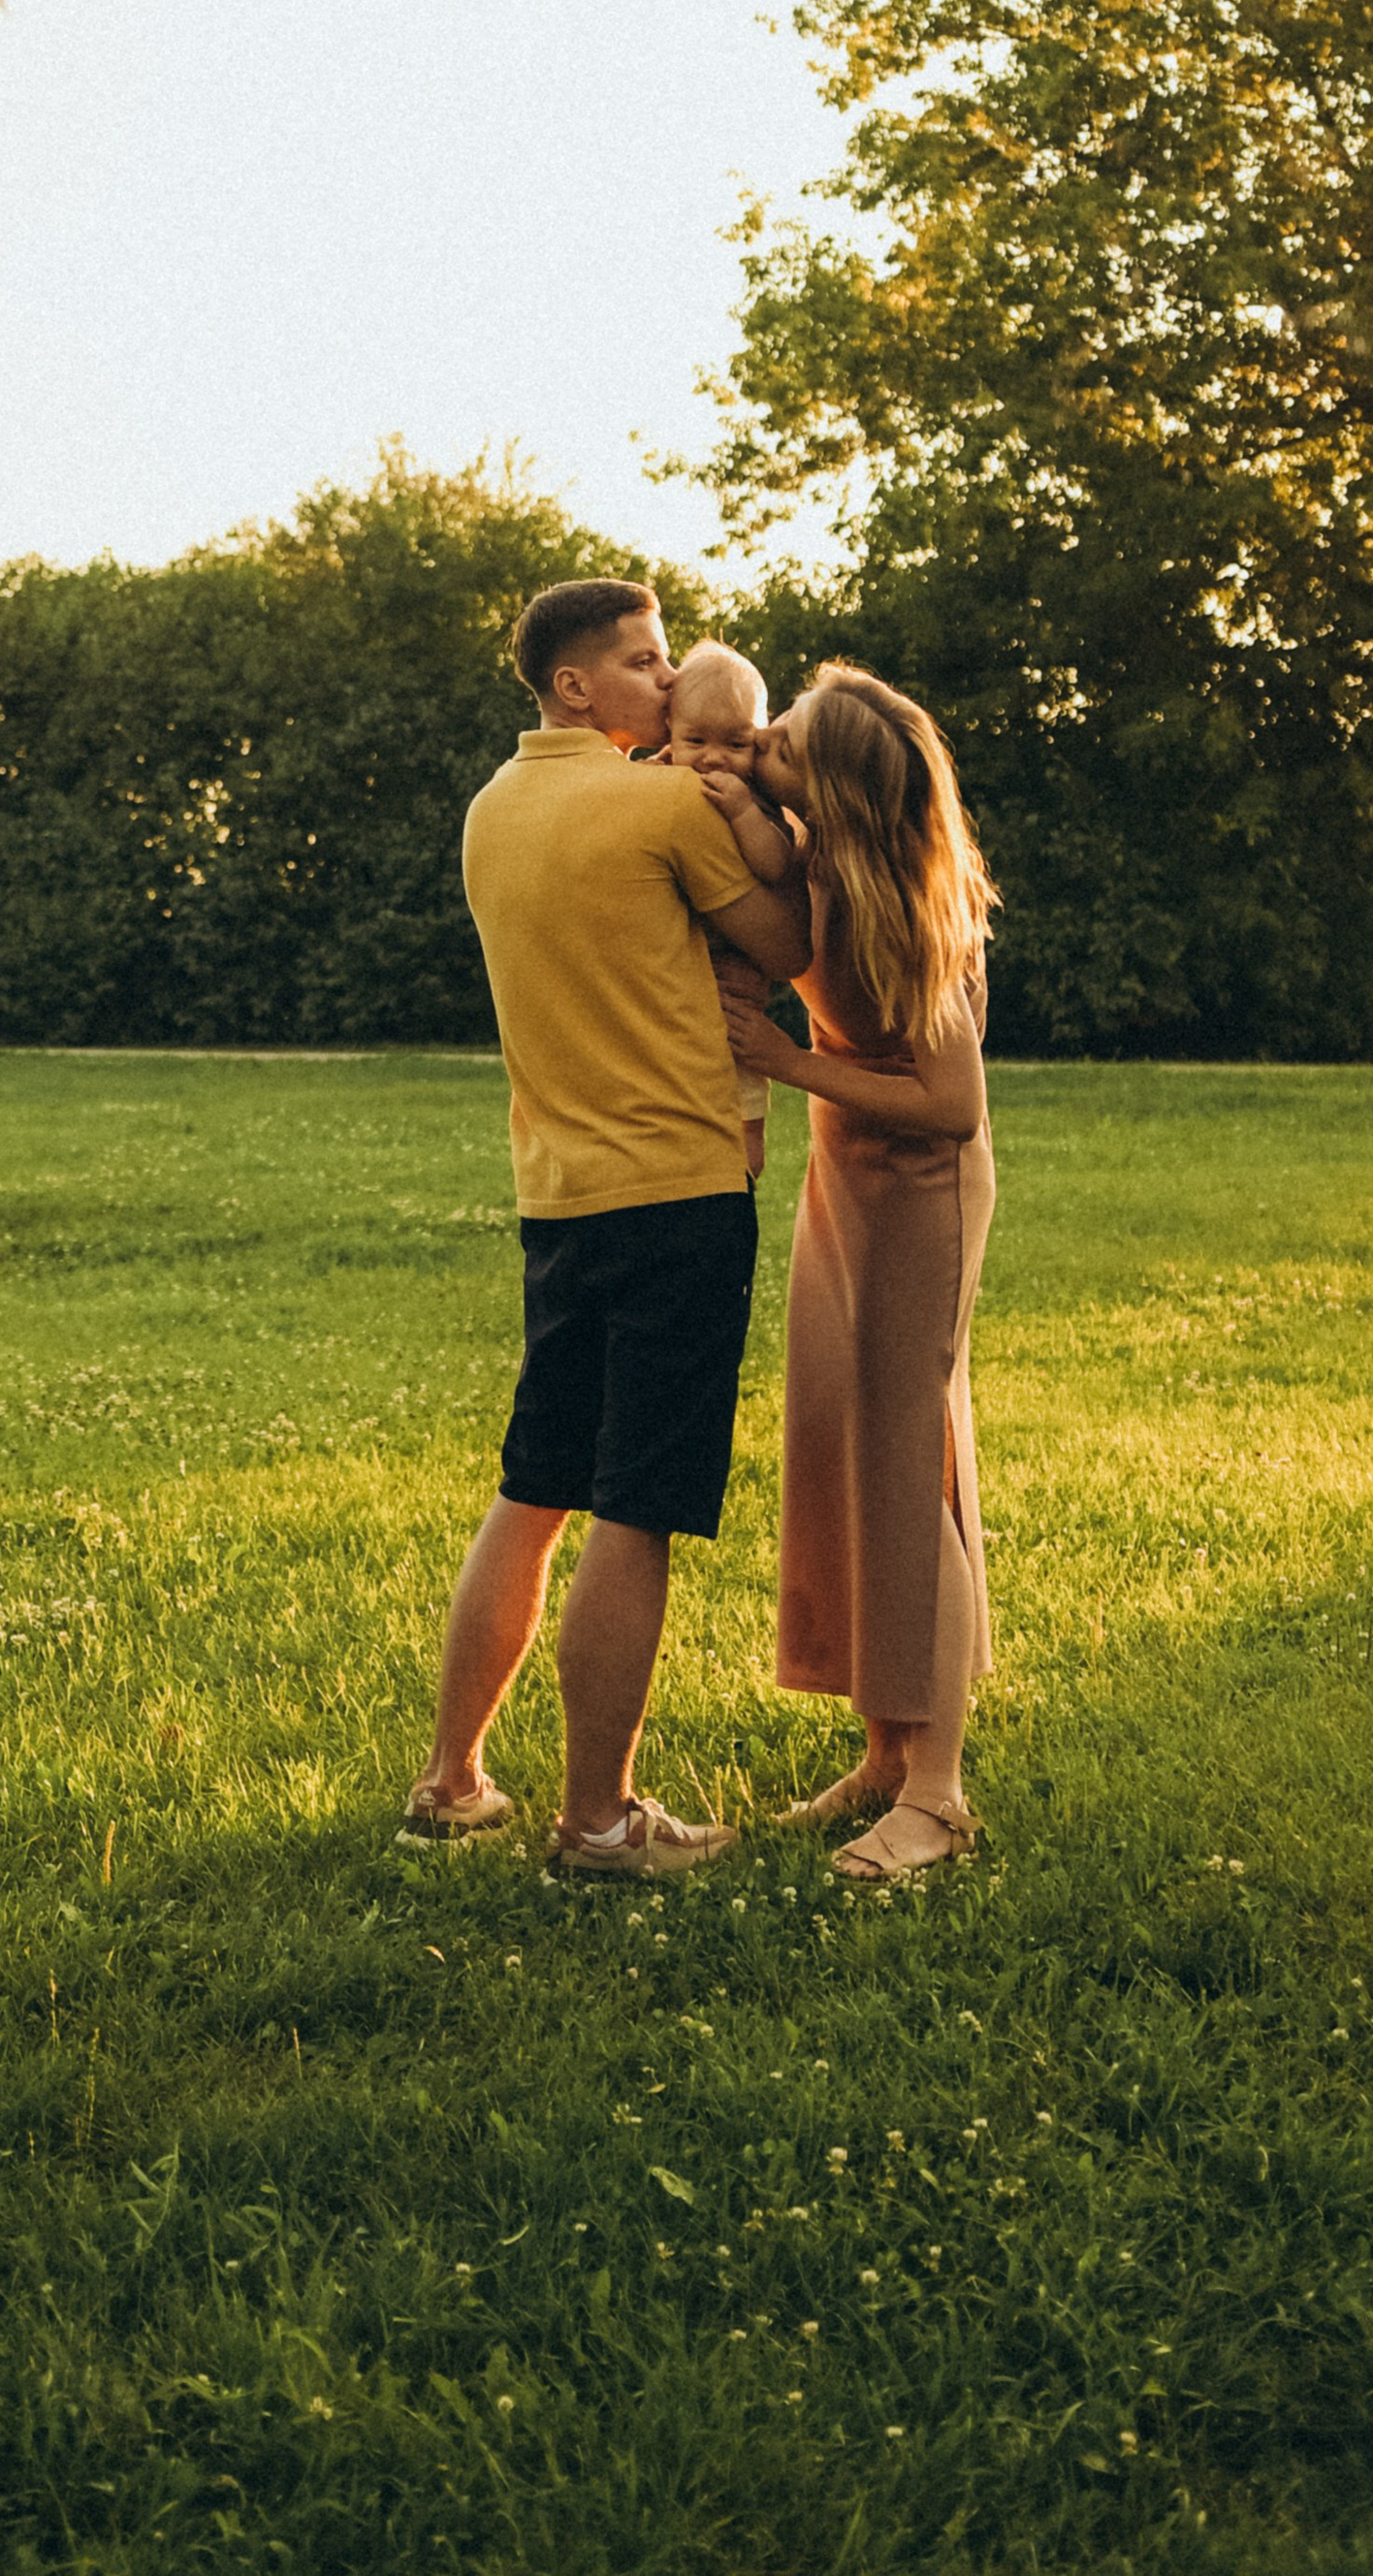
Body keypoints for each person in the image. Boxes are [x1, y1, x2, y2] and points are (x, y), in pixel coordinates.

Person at [403, 580, 812, 1879]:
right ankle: (597, 1820)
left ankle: (451, 1778)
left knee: (535, 1488)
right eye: (643, 662)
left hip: (558, 1198)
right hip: (678, 1191)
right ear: (574, 685)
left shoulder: (489, 810)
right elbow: (786, 944)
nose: (667, 682)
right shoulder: (663, 805)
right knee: (637, 1509)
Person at [715, 663, 999, 1883]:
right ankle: (885, 1755)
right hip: (844, 1181)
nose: (757, 746)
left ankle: (936, 1796)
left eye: (779, 743)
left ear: (831, 789)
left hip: (919, 1194)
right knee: (844, 1452)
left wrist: (785, 1063)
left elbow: (949, 1105)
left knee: (907, 1472)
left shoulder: (910, 905)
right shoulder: (817, 862)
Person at [654, 639, 800, 1183]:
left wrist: (742, 813)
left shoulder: (755, 800)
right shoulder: (659, 778)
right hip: (679, 965)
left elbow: (775, 865)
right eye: (695, 741)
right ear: (669, 732)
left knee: (738, 1057)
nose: (713, 758)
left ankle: (746, 1153)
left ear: (758, 740)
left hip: (737, 970)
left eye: (735, 743)